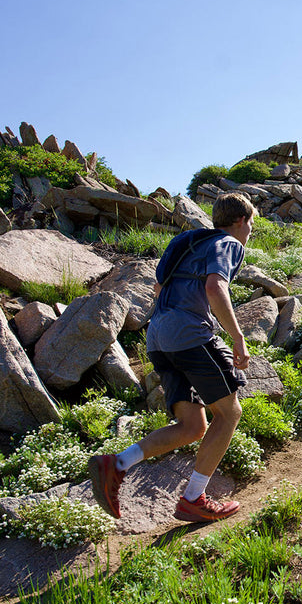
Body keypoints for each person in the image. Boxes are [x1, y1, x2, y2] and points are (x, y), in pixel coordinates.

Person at [88, 192, 255, 523]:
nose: (250, 231)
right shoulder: (229, 244)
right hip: (189, 335)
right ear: (240, 221)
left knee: (192, 426)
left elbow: (159, 290)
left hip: (158, 338)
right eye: (250, 223)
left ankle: (117, 465)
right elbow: (214, 287)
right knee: (229, 412)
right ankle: (193, 498)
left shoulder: (186, 241)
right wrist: (237, 338)